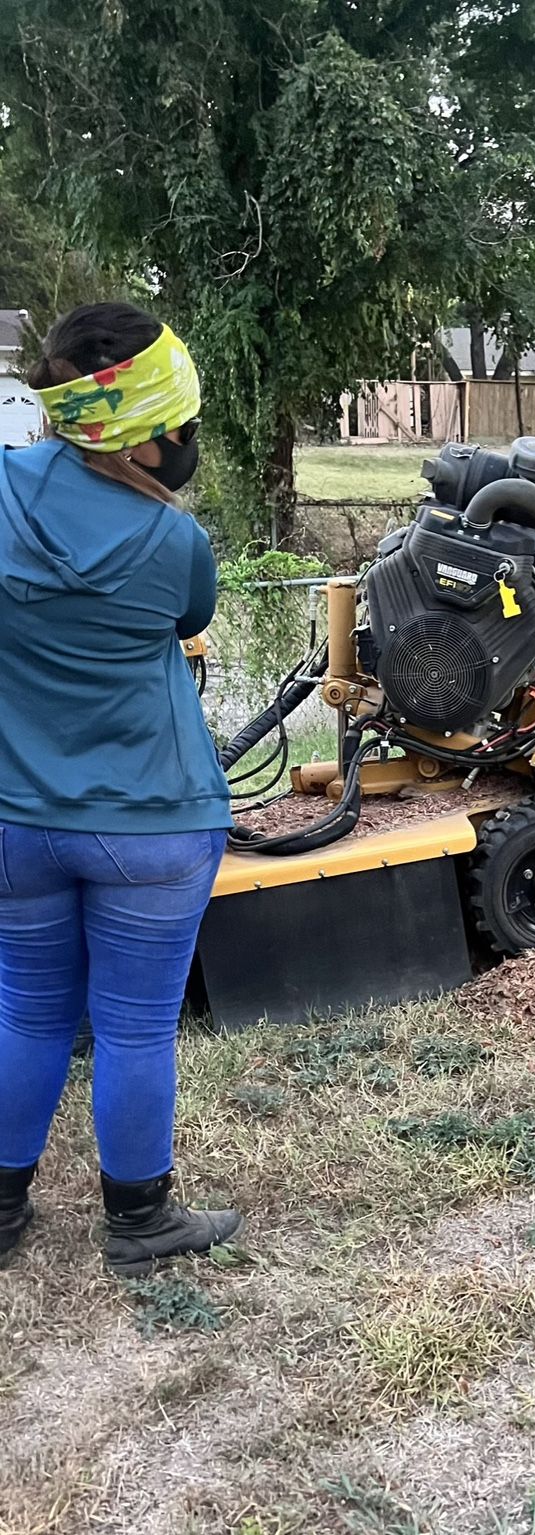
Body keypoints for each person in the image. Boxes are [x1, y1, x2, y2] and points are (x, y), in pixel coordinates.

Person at [0, 303, 242, 1274]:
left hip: (15, 820)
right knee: (137, 1026)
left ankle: (4, 1215)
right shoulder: (171, 544)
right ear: (145, 435)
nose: (185, 444)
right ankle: (140, 1226)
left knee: (25, 1011)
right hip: (153, 824)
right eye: (177, 429)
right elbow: (191, 617)